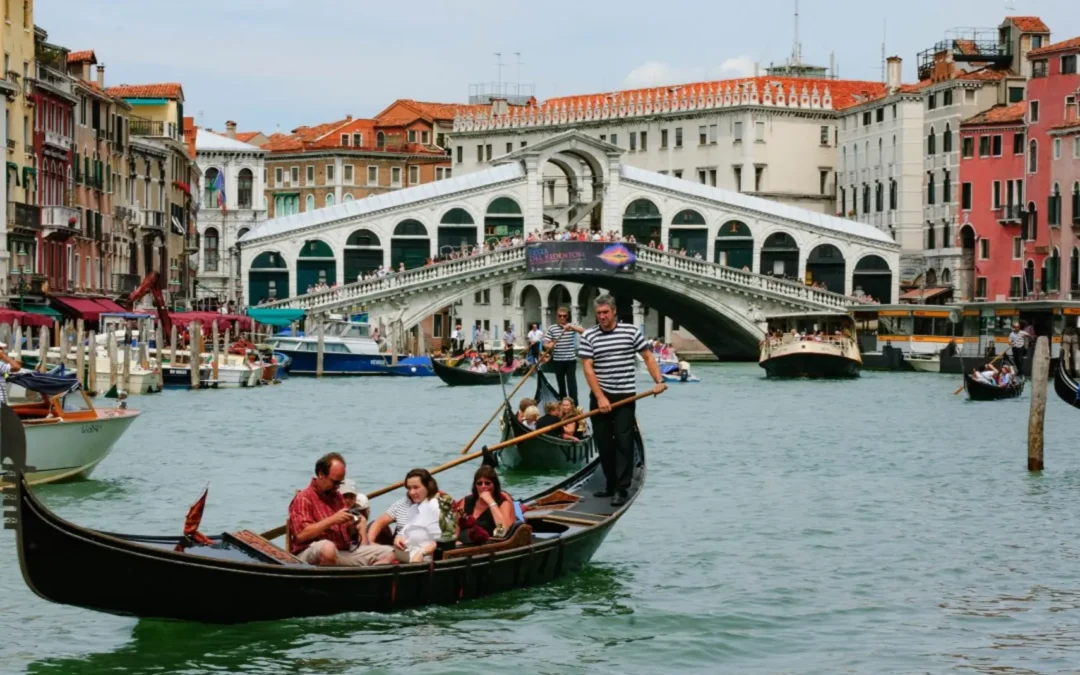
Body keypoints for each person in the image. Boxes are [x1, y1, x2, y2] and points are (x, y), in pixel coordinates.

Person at [579, 294, 666, 506]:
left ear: (614, 311)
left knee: (624, 442)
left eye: (605, 313)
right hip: (600, 396)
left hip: (625, 396)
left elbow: (647, 357)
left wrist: (659, 380)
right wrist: (600, 397)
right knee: (603, 443)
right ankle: (610, 483)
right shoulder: (589, 336)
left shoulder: (631, 332)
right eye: (599, 313)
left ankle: (621, 488)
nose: (602, 317)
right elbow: (588, 369)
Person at [287, 453, 393, 566]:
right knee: (327, 548)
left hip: (341, 551)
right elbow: (301, 535)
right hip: (309, 552)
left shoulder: (337, 497)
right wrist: (332, 520)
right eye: (334, 482)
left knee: (390, 553)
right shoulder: (304, 498)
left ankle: (366, 578)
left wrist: (352, 524)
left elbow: (346, 533)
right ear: (321, 474)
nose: (337, 486)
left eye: (340, 483)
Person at [368, 468, 442, 563]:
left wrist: (421, 553)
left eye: (416, 487)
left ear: (427, 486)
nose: (411, 492)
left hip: (422, 556)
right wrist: (371, 542)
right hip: (402, 551)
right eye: (409, 488)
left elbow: (440, 540)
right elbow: (380, 522)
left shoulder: (436, 506)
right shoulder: (405, 504)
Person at [455, 465, 516, 543]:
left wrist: (490, 502)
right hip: (461, 545)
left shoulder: (504, 504)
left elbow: (504, 530)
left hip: (487, 548)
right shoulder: (466, 501)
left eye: (487, 483)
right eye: (479, 483)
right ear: (475, 486)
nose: (483, 486)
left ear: (495, 485)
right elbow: (456, 527)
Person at [543, 306, 585, 404]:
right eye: (560, 316)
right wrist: (550, 345)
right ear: (557, 316)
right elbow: (545, 344)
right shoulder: (552, 328)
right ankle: (563, 405)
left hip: (570, 360)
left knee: (572, 385)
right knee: (561, 385)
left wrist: (571, 327)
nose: (562, 318)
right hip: (558, 361)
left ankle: (575, 406)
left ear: (567, 316)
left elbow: (584, 331)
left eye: (564, 316)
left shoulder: (572, 326)